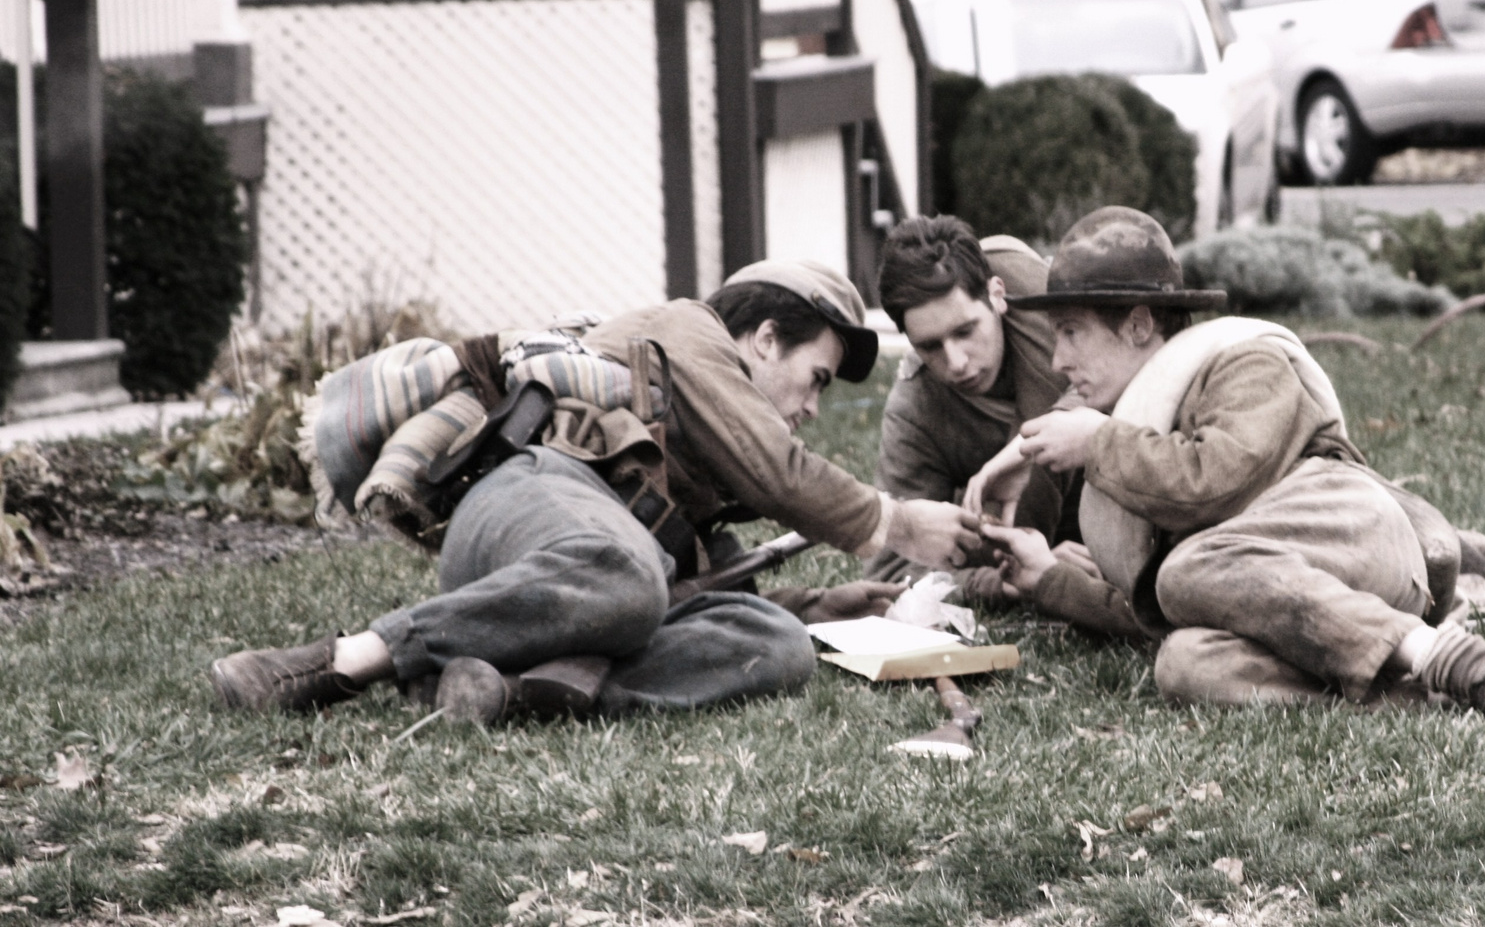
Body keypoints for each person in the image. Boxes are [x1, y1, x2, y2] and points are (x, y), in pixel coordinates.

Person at [210, 261, 982, 724]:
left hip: (595, 583)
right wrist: (897, 522)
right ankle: (343, 660)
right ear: (766, 339)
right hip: (528, 498)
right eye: (814, 379)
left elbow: (696, 593)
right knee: (625, 571)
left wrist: (824, 607)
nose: (812, 409)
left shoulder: (707, 475)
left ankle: (501, 689)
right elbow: (778, 469)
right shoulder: (691, 333)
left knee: (773, 648)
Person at [973, 206, 1485, 718]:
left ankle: (1462, 656)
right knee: (1184, 661)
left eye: (1072, 331)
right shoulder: (1130, 435)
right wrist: (1050, 580)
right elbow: (1176, 609)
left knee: (1189, 566)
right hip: (1300, 608)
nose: (1056, 361)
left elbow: (1209, 483)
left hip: (1366, 546)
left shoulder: (1245, 365)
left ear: (1139, 325)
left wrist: (1095, 445)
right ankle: (1434, 688)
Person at [864, 217, 1143, 638]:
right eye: (930, 346)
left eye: (965, 331)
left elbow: (1147, 368)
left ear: (997, 295)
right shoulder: (915, 409)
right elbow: (894, 571)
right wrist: (1009, 579)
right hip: (1036, 551)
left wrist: (1024, 449)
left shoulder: (1054, 308)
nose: (955, 362)